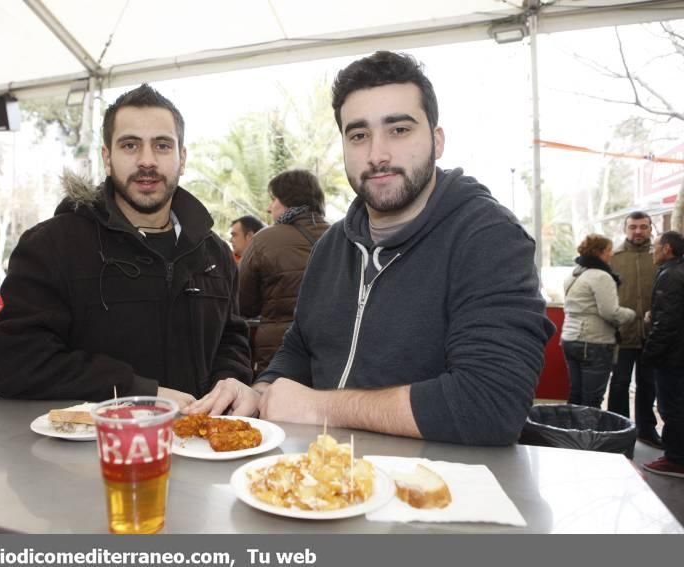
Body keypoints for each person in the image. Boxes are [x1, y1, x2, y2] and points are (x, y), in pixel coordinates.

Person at [187, 51, 554, 446]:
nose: (377, 154)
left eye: (398, 130)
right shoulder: (332, 245)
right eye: (359, 135)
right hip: (324, 484)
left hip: (438, 492)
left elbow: (491, 406)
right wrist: (260, 394)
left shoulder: (489, 238)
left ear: (437, 139)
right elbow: (300, 348)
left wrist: (318, 408)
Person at [0, 84, 252, 406]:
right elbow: (12, 362)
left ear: (182, 158)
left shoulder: (214, 253)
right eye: (130, 145)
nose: (147, 161)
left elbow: (231, 338)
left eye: (163, 146)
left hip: (200, 446)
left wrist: (230, 381)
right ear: (107, 158)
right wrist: (136, 392)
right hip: (91, 451)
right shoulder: (52, 246)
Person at [239, 170, 329, 375]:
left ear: (289, 200)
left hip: (280, 355)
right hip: (332, 354)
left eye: (274, 199)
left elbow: (243, 302)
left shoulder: (264, 240)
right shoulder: (341, 235)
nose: (269, 207)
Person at [561, 234, 636, 409]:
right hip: (594, 342)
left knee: (576, 394)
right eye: (609, 250)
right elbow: (610, 312)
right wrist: (633, 315)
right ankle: (588, 435)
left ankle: (569, 433)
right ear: (600, 252)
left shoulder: (574, 275)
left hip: (570, 339)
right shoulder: (601, 276)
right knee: (591, 400)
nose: (612, 255)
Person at [608, 211, 661, 447]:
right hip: (622, 334)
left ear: (651, 228)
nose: (637, 231)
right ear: (625, 229)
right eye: (633, 227)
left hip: (653, 334)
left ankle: (646, 430)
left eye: (643, 227)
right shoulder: (613, 258)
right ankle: (617, 430)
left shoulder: (660, 255)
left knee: (648, 384)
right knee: (619, 383)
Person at [642, 231, 684, 478]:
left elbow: (666, 323)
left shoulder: (670, 276)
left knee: (671, 408)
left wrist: (650, 354)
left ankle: (675, 459)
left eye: (655, 246)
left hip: (672, 357)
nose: (652, 251)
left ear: (667, 248)